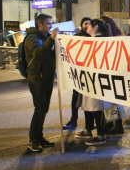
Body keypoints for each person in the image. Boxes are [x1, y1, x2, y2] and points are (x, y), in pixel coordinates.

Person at [24, 13, 59, 152]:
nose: (51, 26)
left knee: (43, 109)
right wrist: (51, 39)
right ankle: (32, 140)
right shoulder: (32, 38)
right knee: (39, 110)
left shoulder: (44, 37)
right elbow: (38, 53)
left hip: (47, 78)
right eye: (49, 24)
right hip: (37, 78)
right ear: (40, 25)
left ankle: (39, 137)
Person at [78, 19, 116, 146]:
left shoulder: (98, 41)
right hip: (93, 78)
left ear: (95, 27)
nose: (86, 27)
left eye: (89, 25)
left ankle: (100, 135)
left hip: (95, 79)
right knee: (93, 106)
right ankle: (93, 132)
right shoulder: (98, 40)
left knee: (97, 107)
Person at [63, 17, 91, 130]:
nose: (87, 25)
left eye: (89, 23)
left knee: (89, 101)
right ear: (81, 24)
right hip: (78, 72)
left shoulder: (93, 37)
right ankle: (73, 120)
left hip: (89, 73)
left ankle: (88, 125)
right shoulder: (76, 37)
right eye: (85, 23)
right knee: (75, 98)